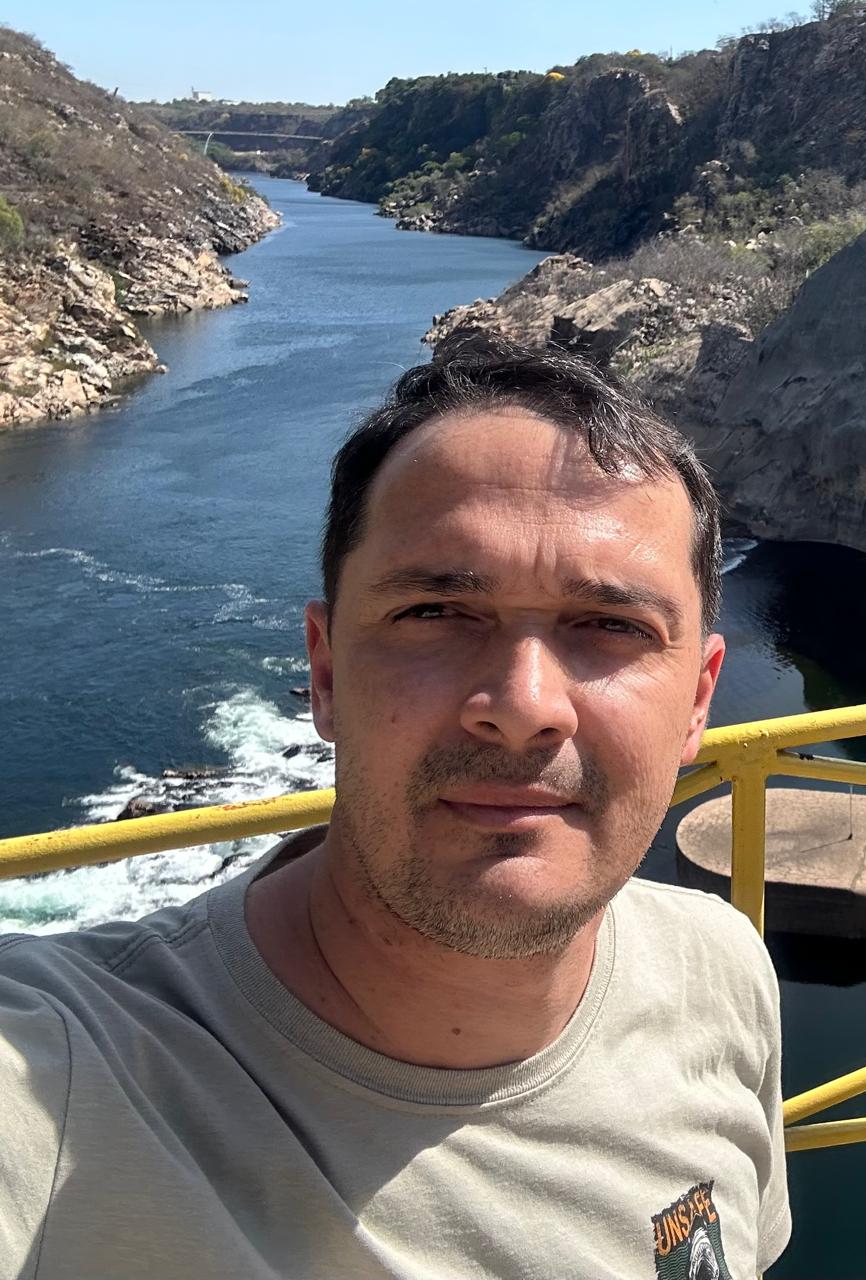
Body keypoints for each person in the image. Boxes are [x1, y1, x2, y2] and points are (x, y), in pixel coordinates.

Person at [0, 338, 790, 1279]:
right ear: (325, 673)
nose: (524, 705)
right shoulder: (60, 1077)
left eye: (613, 626)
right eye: (435, 613)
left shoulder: (721, 969)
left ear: (698, 700)